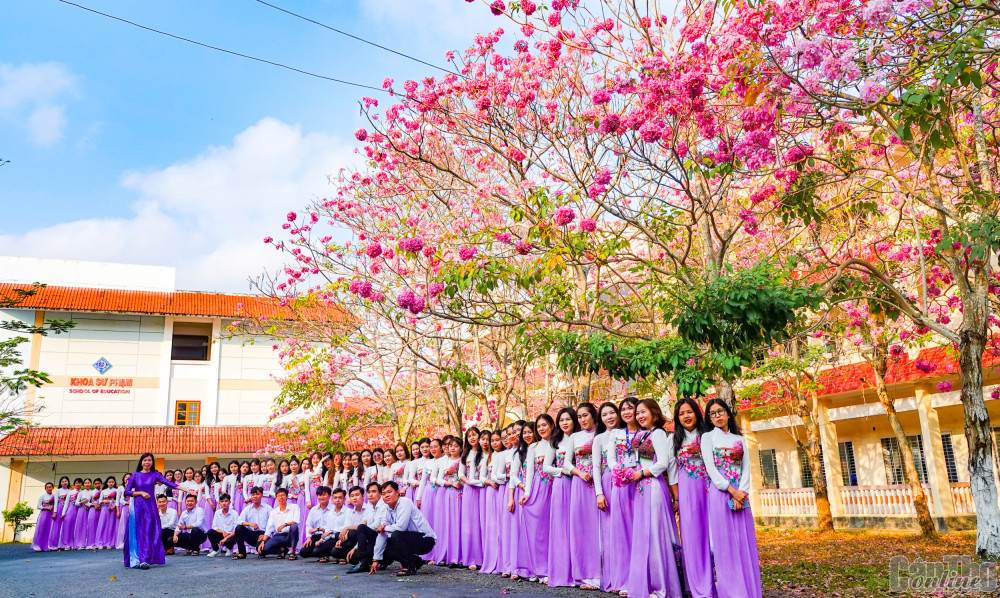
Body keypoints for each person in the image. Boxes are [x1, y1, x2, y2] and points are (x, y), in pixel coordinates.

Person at [702, 398, 763, 598]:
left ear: (728, 413)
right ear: (709, 419)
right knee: (724, 543)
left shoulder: (740, 439)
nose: (718, 415)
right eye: (713, 413)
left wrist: (741, 493)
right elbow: (711, 470)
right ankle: (730, 591)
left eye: (720, 411)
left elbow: (746, 469)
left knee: (743, 540)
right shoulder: (708, 438)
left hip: (742, 496)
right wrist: (732, 491)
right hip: (720, 494)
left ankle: (747, 588)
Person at [625, 399, 683, 598]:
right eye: (638, 413)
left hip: (653, 486)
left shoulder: (658, 433)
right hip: (640, 487)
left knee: (655, 533)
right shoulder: (643, 434)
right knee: (644, 533)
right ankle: (649, 582)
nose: (640, 416)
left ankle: (661, 586)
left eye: (644, 412)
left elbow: (664, 463)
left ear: (654, 412)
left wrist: (641, 473)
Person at [674, 398, 716, 598]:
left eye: (689, 411)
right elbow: (672, 473)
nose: (686, 416)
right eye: (681, 413)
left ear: (697, 413)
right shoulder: (673, 439)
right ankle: (698, 585)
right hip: (687, 491)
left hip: (710, 488)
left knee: (712, 535)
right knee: (692, 537)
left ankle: (716, 583)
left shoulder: (708, 435)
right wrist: (677, 498)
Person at [122, 452, 180, 569]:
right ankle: (137, 559)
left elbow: (170, 484)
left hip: (151, 506)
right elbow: (126, 492)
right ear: (141, 462)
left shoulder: (155, 475)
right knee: (137, 532)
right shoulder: (135, 475)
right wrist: (141, 493)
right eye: (145, 460)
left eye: (149, 460)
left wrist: (186, 490)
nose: (147, 462)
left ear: (152, 462)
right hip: (137, 506)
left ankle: (145, 559)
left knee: (149, 531)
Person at [368, 481, 437, 576]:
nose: (386, 495)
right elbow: (382, 534)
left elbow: (401, 527)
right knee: (387, 543)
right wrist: (376, 559)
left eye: (389, 492)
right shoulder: (386, 509)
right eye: (383, 494)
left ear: (397, 492)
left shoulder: (405, 502)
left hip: (426, 540)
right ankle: (416, 561)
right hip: (410, 539)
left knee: (396, 535)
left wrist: (384, 527)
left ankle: (410, 567)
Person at [566, 403, 602, 590]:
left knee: (598, 528)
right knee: (581, 528)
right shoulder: (575, 437)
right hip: (580, 485)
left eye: (585, 415)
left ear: (593, 415)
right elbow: (566, 462)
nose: (582, 419)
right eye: (579, 417)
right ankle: (583, 575)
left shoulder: (601, 434)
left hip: (599, 484)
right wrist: (580, 474)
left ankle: (599, 575)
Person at [592, 402, 623, 593]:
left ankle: (629, 577)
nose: (609, 417)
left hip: (628, 483)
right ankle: (613, 578)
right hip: (608, 484)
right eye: (605, 415)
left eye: (612, 413)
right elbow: (596, 467)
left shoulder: (627, 433)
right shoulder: (599, 439)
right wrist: (599, 493)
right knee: (610, 532)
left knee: (626, 530)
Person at [546, 407, 580, 587]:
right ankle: (562, 572)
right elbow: (546, 467)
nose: (565, 423)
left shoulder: (583, 438)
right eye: (561, 420)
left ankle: (579, 571)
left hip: (581, 484)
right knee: (561, 527)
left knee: (577, 526)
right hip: (562, 484)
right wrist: (564, 471)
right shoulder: (556, 441)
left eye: (568, 419)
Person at [257, 487, 299, 560]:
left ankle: (292, 551)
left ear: (287, 496)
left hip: (290, 535)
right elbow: (269, 528)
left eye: (282, 495)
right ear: (276, 498)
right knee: (261, 550)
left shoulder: (294, 507)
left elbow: (296, 521)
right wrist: (263, 541)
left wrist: (284, 524)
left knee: (294, 527)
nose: (281, 497)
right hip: (279, 536)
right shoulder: (274, 512)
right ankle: (282, 550)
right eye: (278, 496)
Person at [231, 486, 271, 559]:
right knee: (239, 528)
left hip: (263, 535)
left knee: (261, 552)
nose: (255, 496)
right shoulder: (247, 508)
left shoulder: (268, 508)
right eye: (253, 494)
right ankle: (242, 553)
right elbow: (238, 521)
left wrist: (265, 535)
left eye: (257, 494)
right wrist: (250, 524)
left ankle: (281, 549)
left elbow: (272, 524)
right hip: (251, 535)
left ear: (262, 495)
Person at [299, 486, 337, 560]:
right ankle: (321, 552)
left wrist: (318, 529)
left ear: (329, 496)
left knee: (317, 552)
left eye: (324, 495)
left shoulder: (334, 509)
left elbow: (333, 526)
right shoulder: (313, 510)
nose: (321, 497)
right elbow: (309, 525)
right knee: (303, 552)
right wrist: (309, 538)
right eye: (320, 495)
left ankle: (324, 553)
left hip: (328, 537)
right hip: (317, 536)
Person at [332, 486, 365, 564]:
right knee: (335, 551)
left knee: (353, 533)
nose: (354, 498)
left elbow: (362, 528)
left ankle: (360, 555)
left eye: (357, 495)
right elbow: (346, 530)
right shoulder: (351, 512)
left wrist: (347, 528)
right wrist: (340, 540)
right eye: (352, 496)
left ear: (363, 496)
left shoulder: (368, 510)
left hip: (366, 541)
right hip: (354, 540)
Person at [207, 493, 239, 557]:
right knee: (210, 532)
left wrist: (226, 538)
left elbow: (236, 530)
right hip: (221, 534)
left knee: (229, 541)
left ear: (230, 502)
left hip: (231, 535)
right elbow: (214, 527)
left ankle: (230, 548)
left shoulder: (234, 513)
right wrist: (223, 532)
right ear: (219, 503)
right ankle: (216, 550)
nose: (224, 503)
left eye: (226, 501)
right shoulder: (217, 513)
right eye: (222, 501)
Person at [49, 476, 71, 550]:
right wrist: (55, 512)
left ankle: (64, 544)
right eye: (62, 481)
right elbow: (55, 502)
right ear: (60, 483)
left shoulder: (70, 491)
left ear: (68, 482)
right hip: (59, 509)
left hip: (67, 510)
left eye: (65, 481)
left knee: (66, 527)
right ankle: (54, 545)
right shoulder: (58, 491)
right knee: (56, 527)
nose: (64, 482)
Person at [32, 482, 56, 552]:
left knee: (49, 530)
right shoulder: (42, 496)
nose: (49, 488)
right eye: (47, 487)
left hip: (51, 515)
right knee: (41, 529)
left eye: (50, 487)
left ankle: (47, 545)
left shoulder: (54, 496)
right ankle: (38, 545)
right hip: (44, 514)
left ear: (52, 488)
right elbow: (38, 506)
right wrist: (46, 508)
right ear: (45, 489)